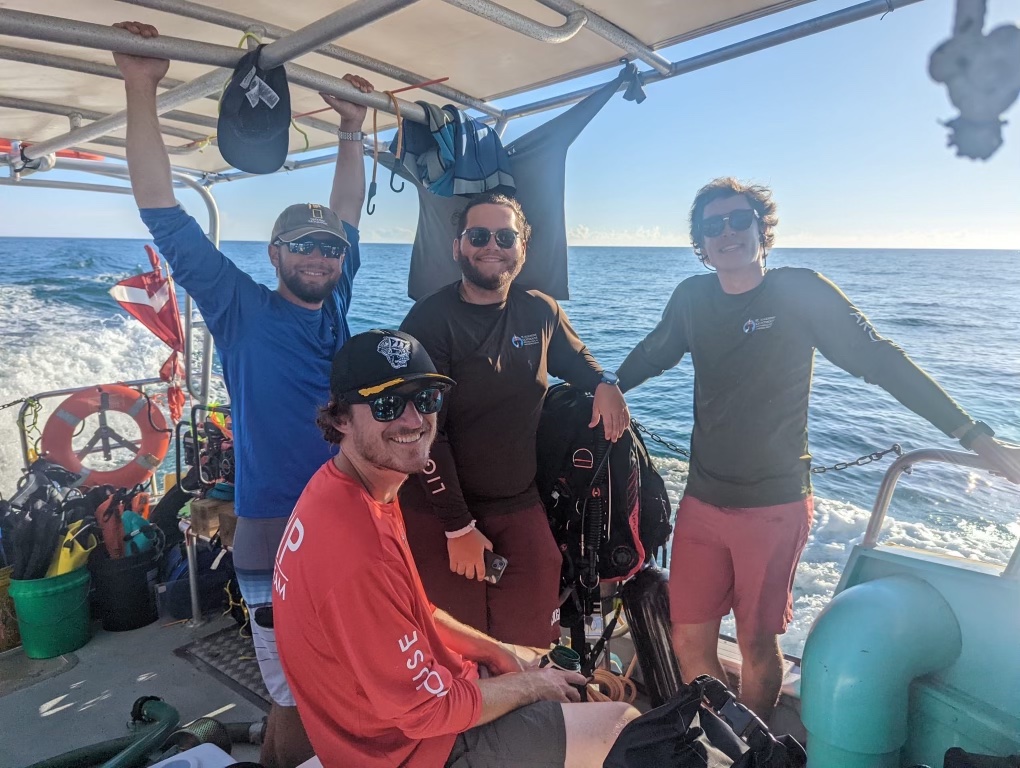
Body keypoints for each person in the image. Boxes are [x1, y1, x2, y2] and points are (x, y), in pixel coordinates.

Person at [615, 177, 1020, 721]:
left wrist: (968, 431)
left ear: (763, 231)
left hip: (774, 506)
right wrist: (605, 387)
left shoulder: (798, 290)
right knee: (690, 641)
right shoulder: (692, 298)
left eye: (740, 221)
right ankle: (719, 733)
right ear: (701, 244)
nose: (727, 233)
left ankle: (753, 750)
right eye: (713, 226)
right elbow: (651, 354)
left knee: (758, 645)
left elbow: (879, 358)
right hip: (703, 503)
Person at [114, 21, 374, 768]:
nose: (321, 256)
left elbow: (347, 211)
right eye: (304, 245)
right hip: (270, 528)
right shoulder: (237, 303)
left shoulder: (336, 300)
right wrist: (140, 86)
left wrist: (353, 130)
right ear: (275, 254)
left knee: (352, 671)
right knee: (292, 694)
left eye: (328, 248)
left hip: (350, 516)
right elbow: (162, 210)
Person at [272, 329, 639, 768]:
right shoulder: (355, 549)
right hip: (402, 750)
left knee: (547, 672)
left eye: (426, 399)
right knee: (622, 726)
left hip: (397, 715)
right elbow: (427, 712)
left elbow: (418, 613)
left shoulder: (347, 491)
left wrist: (503, 654)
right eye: (387, 405)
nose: (413, 420)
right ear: (340, 419)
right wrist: (534, 686)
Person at [398, 193, 630, 648]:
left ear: (523, 246)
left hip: (516, 501)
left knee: (529, 642)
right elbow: (423, 432)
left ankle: (527, 716)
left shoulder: (539, 310)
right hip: (439, 507)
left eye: (505, 236)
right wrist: (457, 526)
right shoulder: (431, 319)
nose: (492, 246)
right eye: (478, 235)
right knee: (458, 651)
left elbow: (576, 358)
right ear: (457, 247)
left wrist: (606, 383)